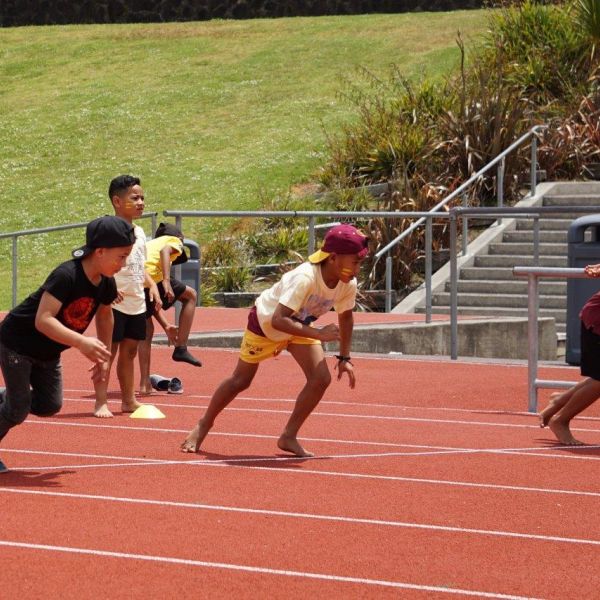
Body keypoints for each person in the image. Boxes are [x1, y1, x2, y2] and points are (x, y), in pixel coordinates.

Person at [181, 223, 369, 457]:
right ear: (333, 258)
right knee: (240, 381)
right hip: (266, 325)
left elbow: (346, 317)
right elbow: (279, 320)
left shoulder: (347, 283)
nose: (358, 269)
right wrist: (320, 334)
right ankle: (204, 423)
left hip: (300, 326)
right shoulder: (304, 278)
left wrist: (344, 356)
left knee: (321, 378)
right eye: (355, 262)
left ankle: (288, 436)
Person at [0, 215, 135, 472]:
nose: (124, 263)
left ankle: (7, 398)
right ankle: (11, 403)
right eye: (121, 256)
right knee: (17, 410)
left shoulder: (106, 281)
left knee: (50, 405)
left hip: (49, 351)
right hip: (17, 343)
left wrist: (103, 357)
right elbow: (43, 320)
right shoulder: (66, 275)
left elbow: (105, 316)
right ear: (100, 252)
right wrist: (82, 343)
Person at [93, 175, 162, 418]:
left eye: (142, 197)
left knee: (130, 351)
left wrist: (152, 285)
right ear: (117, 201)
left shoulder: (141, 232)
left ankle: (128, 400)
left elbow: (139, 265)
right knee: (107, 351)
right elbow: (96, 264)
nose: (141, 202)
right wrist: (109, 291)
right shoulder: (107, 229)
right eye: (135, 198)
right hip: (113, 302)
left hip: (136, 301)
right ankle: (100, 401)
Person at [539, 262, 600, 445]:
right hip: (597, 320)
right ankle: (561, 420)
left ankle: (560, 400)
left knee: (598, 377)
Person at [138, 221, 202, 395]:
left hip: (138, 277)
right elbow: (165, 251)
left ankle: (144, 383)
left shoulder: (149, 244)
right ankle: (181, 347)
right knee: (191, 296)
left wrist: (166, 325)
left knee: (146, 327)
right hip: (153, 277)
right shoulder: (174, 241)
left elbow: (153, 303)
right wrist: (166, 280)